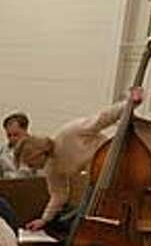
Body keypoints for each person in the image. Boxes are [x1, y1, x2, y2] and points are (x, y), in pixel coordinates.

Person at [18, 87, 143, 235]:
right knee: (80, 222)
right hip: (97, 183)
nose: (33, 168)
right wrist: (44, 220)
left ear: (37, 153)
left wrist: (128, 104)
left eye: (31, 164)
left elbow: (102, 119)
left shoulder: (69, 133)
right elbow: (59, 195)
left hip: (115, 164)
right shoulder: (51, 168)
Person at [0, 112, 36, 180]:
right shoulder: (1, 152)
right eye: (9, 135)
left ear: (25, 131)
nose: (12, 139)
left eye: (16, 135)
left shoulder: (37, 150)